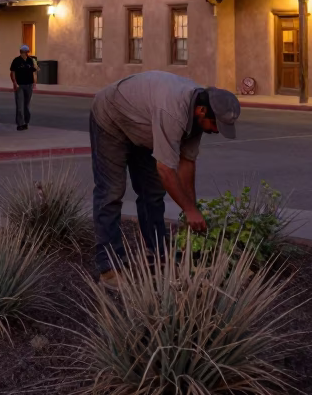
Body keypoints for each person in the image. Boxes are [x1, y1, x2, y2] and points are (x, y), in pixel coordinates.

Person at [89, 70, 240, 287]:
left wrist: (191, 208)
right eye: (216, 124)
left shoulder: (197, 118)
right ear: (201, 111)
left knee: (153, 192)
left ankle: (157, 256)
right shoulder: (173, 112)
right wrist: (189, 210)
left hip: (144, 125)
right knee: (111, 192)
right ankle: (109, 268)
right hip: (111, 117)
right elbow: (167, 171)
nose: (217, 131)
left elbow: (186, 163)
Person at [9, 44, 38, 130]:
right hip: (20, 85)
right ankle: (20, 124)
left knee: (27, 105)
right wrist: (14, 83)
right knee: (20, 105)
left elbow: (34, 72)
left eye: (26, 52)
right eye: (24, 52)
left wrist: (35, 84)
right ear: (21, 52)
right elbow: (12, 72)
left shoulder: (31, 60)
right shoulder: (16, 61)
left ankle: (26, 122)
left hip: (29, 84)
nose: (25, 53)